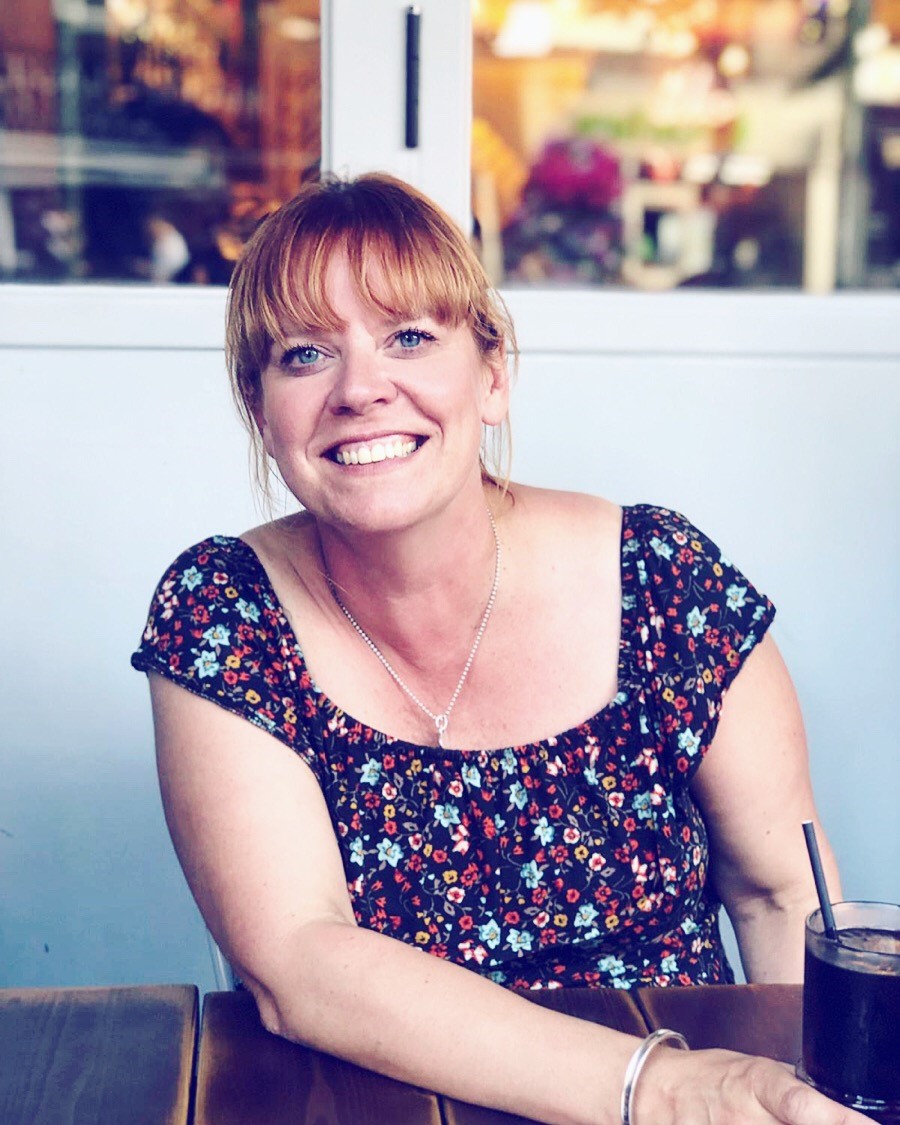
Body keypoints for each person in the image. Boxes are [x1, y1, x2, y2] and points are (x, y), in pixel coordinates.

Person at [132, 173, 863, 1125]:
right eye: (305, 353)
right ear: (260, 410)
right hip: (383, 1103)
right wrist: (664, 1089)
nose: (360, 389)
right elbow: (299, 963)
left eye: (408, 336)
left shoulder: (662, 577)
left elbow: (777, 894)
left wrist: (801, 1101)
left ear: (492, 372)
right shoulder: (224, 611)